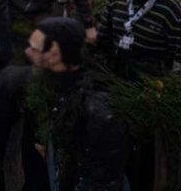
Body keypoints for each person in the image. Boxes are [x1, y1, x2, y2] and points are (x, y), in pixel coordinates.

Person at [25, 17, 128, 191]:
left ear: (59, 53)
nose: (29, 53)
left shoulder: (97, 107)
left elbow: (101, 179)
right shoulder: (59, 87)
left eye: (37, 49)